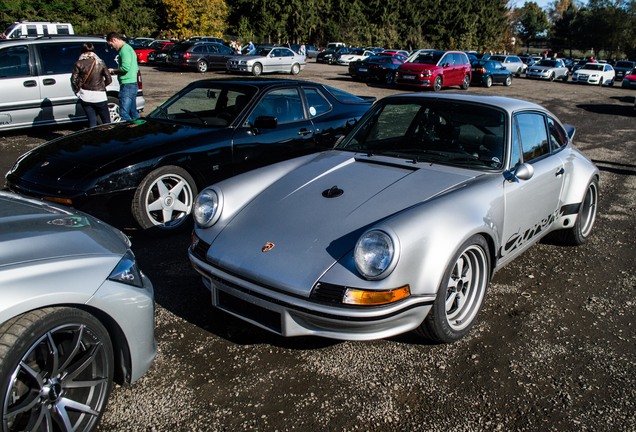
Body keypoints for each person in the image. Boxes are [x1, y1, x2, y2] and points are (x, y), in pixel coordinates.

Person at [71, 42, 112, 127]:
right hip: (100, 95)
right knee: (106, 122)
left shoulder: (78, 63)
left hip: (85, 95)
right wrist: (101, 86)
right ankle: (108, 138)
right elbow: (109, 79)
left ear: (82, 52)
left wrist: (78, 90)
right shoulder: (100, 62)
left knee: (92, 122)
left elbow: (73, 80)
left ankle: (93, 138)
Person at [106, 32, 139, 121]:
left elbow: (125, 68)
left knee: (124, 113)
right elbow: (135, 68)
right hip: (132, 83)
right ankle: (139, 130)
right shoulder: (129, 48)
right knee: (133, 113)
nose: (112, 47)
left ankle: (128, 132)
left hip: (127, 84)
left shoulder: (124, 50)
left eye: (111, 45)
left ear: (114, 39)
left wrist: (113, 71)